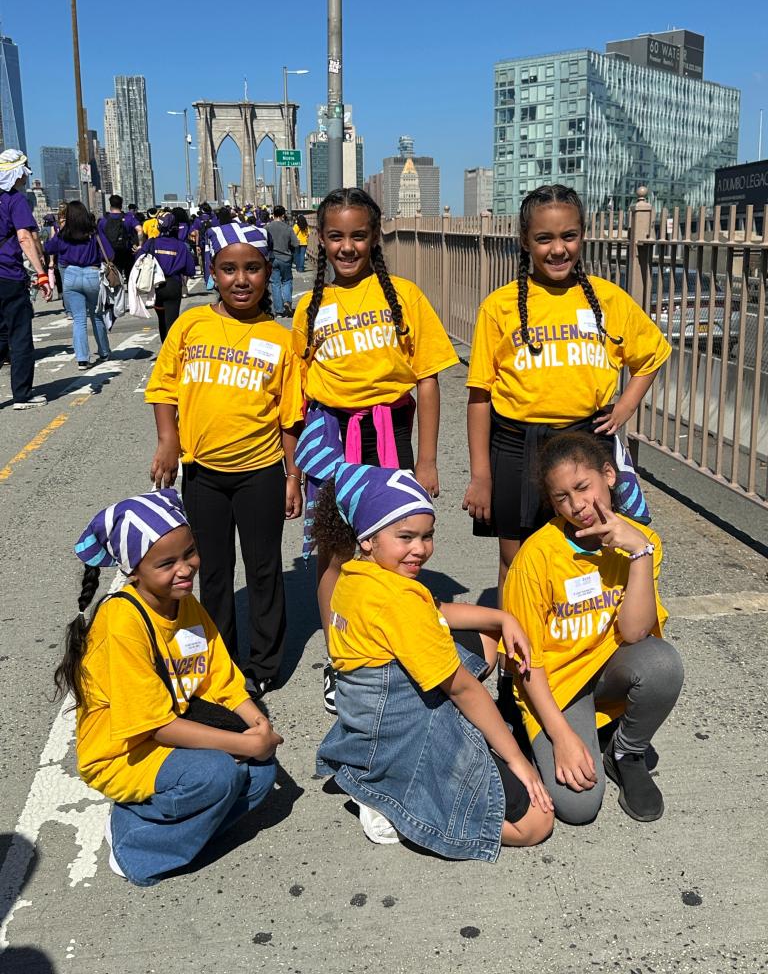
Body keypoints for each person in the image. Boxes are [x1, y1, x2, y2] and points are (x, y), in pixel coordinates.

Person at [306, 454, 554, 856]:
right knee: (535, 824)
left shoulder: (361, 573)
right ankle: (395, 806)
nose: (420, 549)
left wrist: (502, 617)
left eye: (427, 535)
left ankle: (395, 778)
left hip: (370, 715)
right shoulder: (396, 601)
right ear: (368, 538)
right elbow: (463, 690)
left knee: (487, 635)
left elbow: (435, 611)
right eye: (406, 537)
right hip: (401, 730)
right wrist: (519, 762)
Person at [54, 488, 283, 887]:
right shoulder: (122, 623)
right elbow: (154, 725)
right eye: (167, 563)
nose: (185, 569)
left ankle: (178, 833)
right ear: (133, 572)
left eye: (189, 553)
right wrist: (245, 744)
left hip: (172, 724)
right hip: (126, 750)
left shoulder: (183, 602)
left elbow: (219, 675)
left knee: (260, 775)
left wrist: (256, 724)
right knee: (216, 776)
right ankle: (134, 843)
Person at [292, 186, 458, 713]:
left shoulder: (403, 296)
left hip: (388, 433)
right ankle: (340, 659)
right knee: (335, 550)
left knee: (391, 546)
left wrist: (427, 459)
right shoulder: (308, 306)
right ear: (320, 239)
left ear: (375, 237)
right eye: (336, 236)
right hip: (329, 440)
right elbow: (297, 393)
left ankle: (390, 646)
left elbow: (428, 380)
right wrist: (292, 472)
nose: (347, 247)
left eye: (358, 236)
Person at [463, 183, 671, 603]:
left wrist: (624, 407)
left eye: (568, 236)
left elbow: (651, 356)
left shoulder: (610, 300)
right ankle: (516, 659)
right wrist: (481, 475)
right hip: (516, 444)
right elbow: (480, 396)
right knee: (515, 559)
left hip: (584, 444)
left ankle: (580, 645)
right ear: (526, 242)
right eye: (544, 238)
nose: (558, 249)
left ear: (582, 236)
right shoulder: (500, 306)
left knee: (587, 545)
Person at [146, 222, 304, 700]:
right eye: (229, 269)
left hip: (260, 473)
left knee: (262, 570)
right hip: (204, 476)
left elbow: (289, 417)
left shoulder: (279, 339)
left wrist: (292, 476)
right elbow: (164, 388)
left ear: (266, 271)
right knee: (210, 572)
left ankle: (264, 663)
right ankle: (219, 658)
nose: (241, 279)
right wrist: (168, 441)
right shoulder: (190, 325)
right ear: (212, 272)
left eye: (252, 269)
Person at [505, 432, 684, 824]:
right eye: (561, 497)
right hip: (552, 682)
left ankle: (625, 752)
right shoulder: (537, 556)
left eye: (582, 487)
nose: (577, 505)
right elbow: (525, 661)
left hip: (606, 671)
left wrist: (638, 552)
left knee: (662, 663)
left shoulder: (645, 542)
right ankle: (546, 732)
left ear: (608, 475)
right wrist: (562, 736)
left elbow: (636, 633)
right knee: (578, 806)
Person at [0, 150, 51, 408]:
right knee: (19, 334)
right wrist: (41, 273)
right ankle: (22, 394)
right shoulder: (14, 200)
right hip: (7, 274)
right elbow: (24, 237)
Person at [44, 201, 113, 369]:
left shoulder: (63, 234)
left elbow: (48, 247)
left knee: (79, 319)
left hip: (71, 274)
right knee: (96, 316)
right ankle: (104, 351)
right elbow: (110, 253)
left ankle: (82, 358)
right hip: (91, 273)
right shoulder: (93, 232)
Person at [135, 211, 196, 342]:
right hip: (173, 285)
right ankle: (172, 351)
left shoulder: (151, 243)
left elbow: (138, 259)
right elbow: (190, 270)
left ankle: (165, 348)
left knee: (161, 320)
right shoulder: (180, 245)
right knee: (172, 322)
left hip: (156, 286)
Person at [266, 205, 300, 317]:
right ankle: (287, 301)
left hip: (272, 258)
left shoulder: (267, 227)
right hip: (285, 258)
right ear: (283, 215)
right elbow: (296, 243)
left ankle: (279, 311)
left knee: (275, 284)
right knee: (287, 280)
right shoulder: (288, 228)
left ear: (273, 214)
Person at [97, 194, 135, 280]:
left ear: (110, 206)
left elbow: (99, 239)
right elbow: (139, 229)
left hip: (111, 254)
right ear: (121, 206)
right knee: (130, 277)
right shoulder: (128, 218)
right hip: (126, 252)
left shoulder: (103, 220)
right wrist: (139, 244)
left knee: (114, 278)